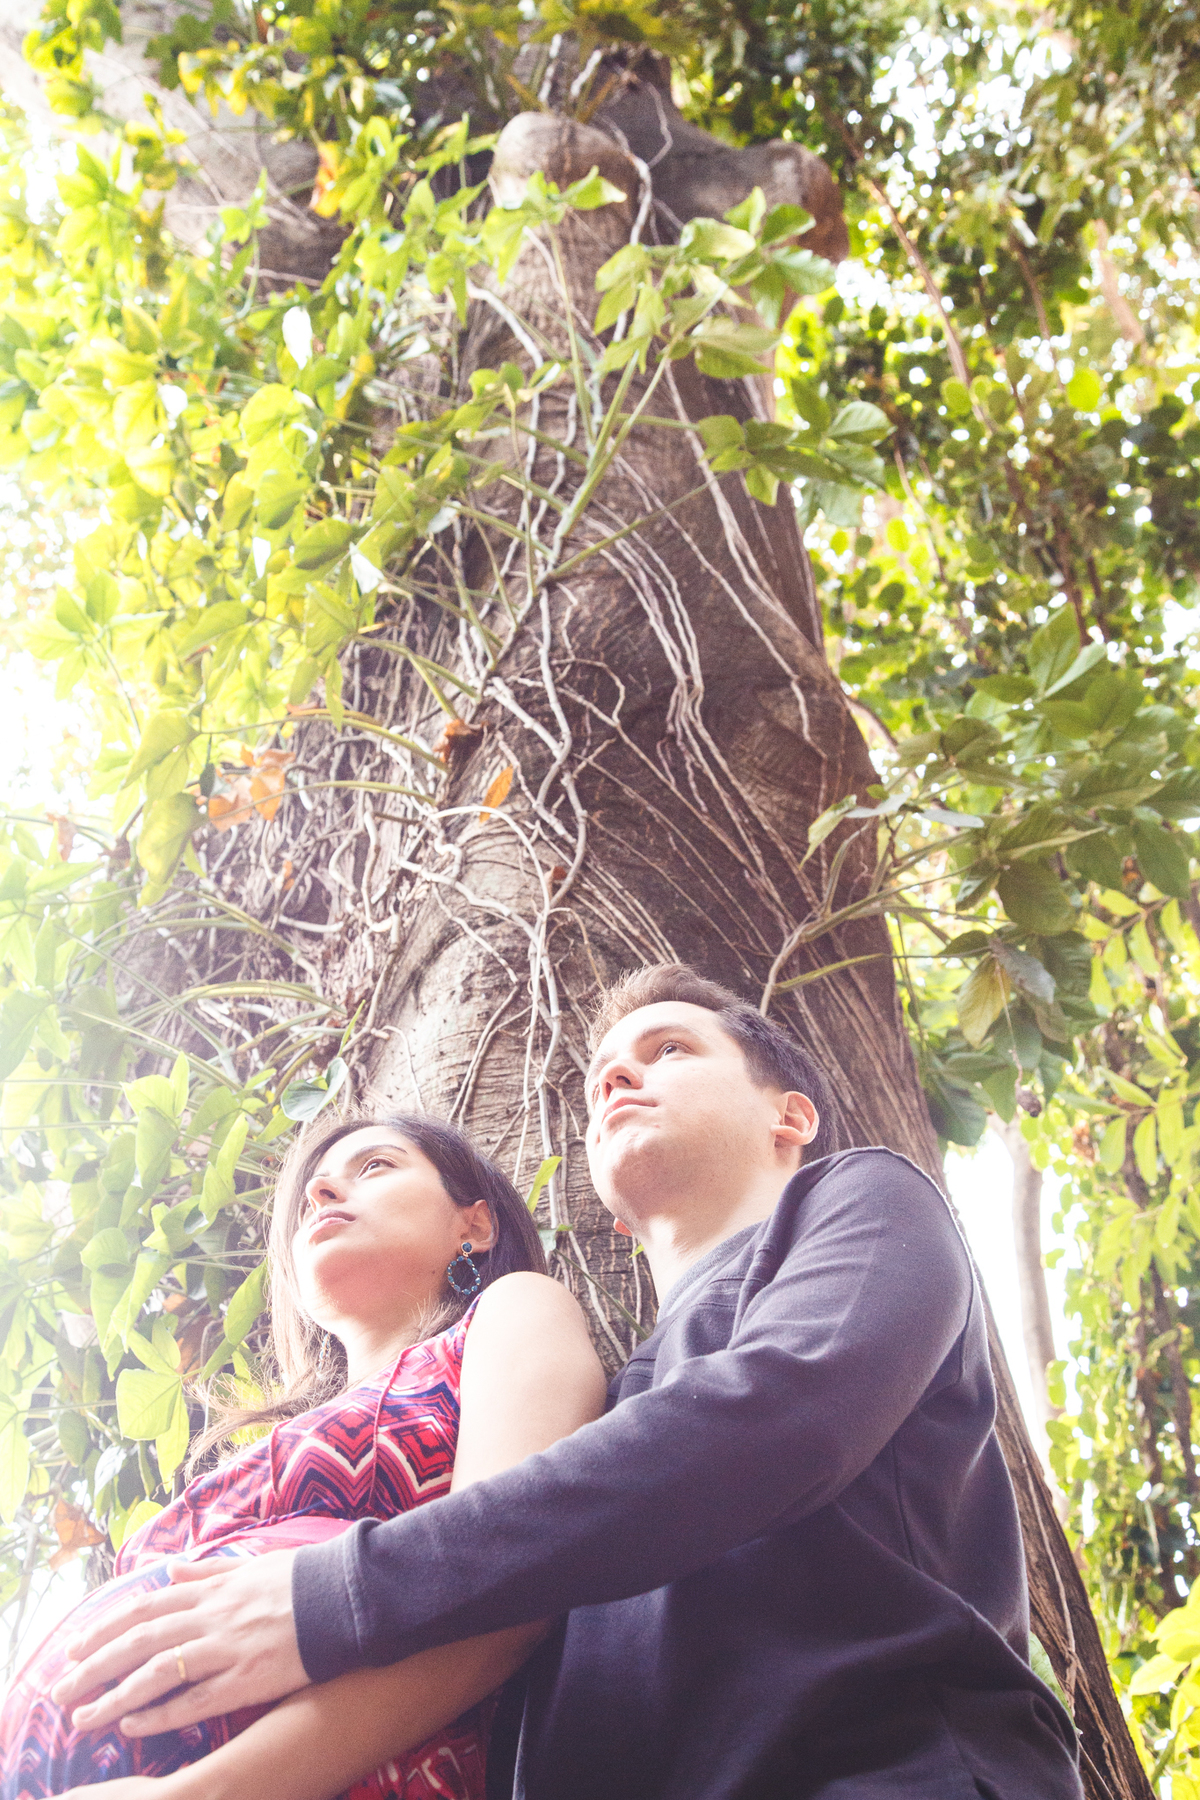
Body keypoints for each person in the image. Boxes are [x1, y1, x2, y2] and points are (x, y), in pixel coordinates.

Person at [47, 962, 1085, 1800]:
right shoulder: (608, 1419)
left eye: (668, 1050)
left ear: (791, 1118)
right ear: (614, 1218)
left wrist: (335, 1597)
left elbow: (783, 1415)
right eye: (598, 1082)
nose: (618, 1078)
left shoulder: (862, 1202)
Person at [1, 1114, 606, 1800]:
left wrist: (203, 1792)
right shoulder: (276, 1443)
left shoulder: (512, 1310)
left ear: (475, 1226)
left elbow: (506, 1586)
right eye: (313, 1191)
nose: (320, 1191)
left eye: (375, 1165)